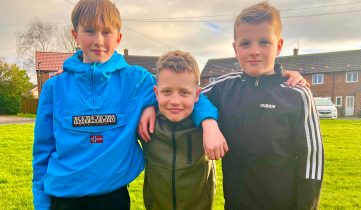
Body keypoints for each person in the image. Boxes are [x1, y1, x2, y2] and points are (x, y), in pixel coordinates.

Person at [32, 1, 227, 210]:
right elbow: (42, 149)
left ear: (119, 37)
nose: (98, 40)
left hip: (113, 198)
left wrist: (209, 124)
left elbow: (186, 93)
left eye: (106, 32)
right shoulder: (55, 86)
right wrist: (41, 203)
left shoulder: (136, 80)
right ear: (75, 34)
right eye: (89, 31)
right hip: (64, 198)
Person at [201, 2, 324, 209]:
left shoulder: (297, 94)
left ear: (279, 45)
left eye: (264, 42)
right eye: (245, 43)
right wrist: (209, 123)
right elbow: (190, 98)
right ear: (235, 48)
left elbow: (311, 158)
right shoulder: (224, 88)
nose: (254, 51)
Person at [141, 50, 216, 210]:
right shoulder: (146, 123)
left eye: (184, 92)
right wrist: (147, 107)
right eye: (167, 91)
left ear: (196, 95)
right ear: (156, 92)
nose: (175, 101)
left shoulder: (206, 125)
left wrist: (281, 79)